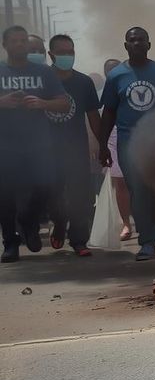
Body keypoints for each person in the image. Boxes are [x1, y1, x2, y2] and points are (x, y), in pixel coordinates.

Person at [98, 27, 155, 261]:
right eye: (132, 41)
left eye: (141, 40)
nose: (137, 44)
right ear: (126, 46)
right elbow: (109, 112)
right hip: (129, 143)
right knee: (139, 191)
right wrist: (103, 145)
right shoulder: (117, 76)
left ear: (148, 45)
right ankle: (146, 241)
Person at [0, 26, 70, 263]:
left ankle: (29, 220)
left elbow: (63, 103)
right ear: (5, 45)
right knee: (6, 195)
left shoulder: (43, 72)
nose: (21, 45)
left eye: (23, 41)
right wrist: (3, 102)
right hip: (6, 144)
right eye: (15, 41)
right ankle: (10, 243)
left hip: (39, 143)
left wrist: (42, 103)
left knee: (45, 186)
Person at [45, 34, 102, 257]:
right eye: (62, 52)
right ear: (51, 55)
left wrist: (103, 144)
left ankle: (79, 240)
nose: (67, 56)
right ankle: (59, 224)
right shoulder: (43, 80)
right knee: (54, 197)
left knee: (83, 198)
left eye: (71, 52)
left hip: (76, 150)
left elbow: (93, 116)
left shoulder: (83, 82)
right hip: (47, 151)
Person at [102, 58, 133, 240]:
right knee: (120, 184)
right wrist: (101, 145)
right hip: (113, 141)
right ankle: (126, 224)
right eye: (109, 70)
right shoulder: (104, 93)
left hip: (132, 140)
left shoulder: (130, 87)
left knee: (140, 185)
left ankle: (152, 222)